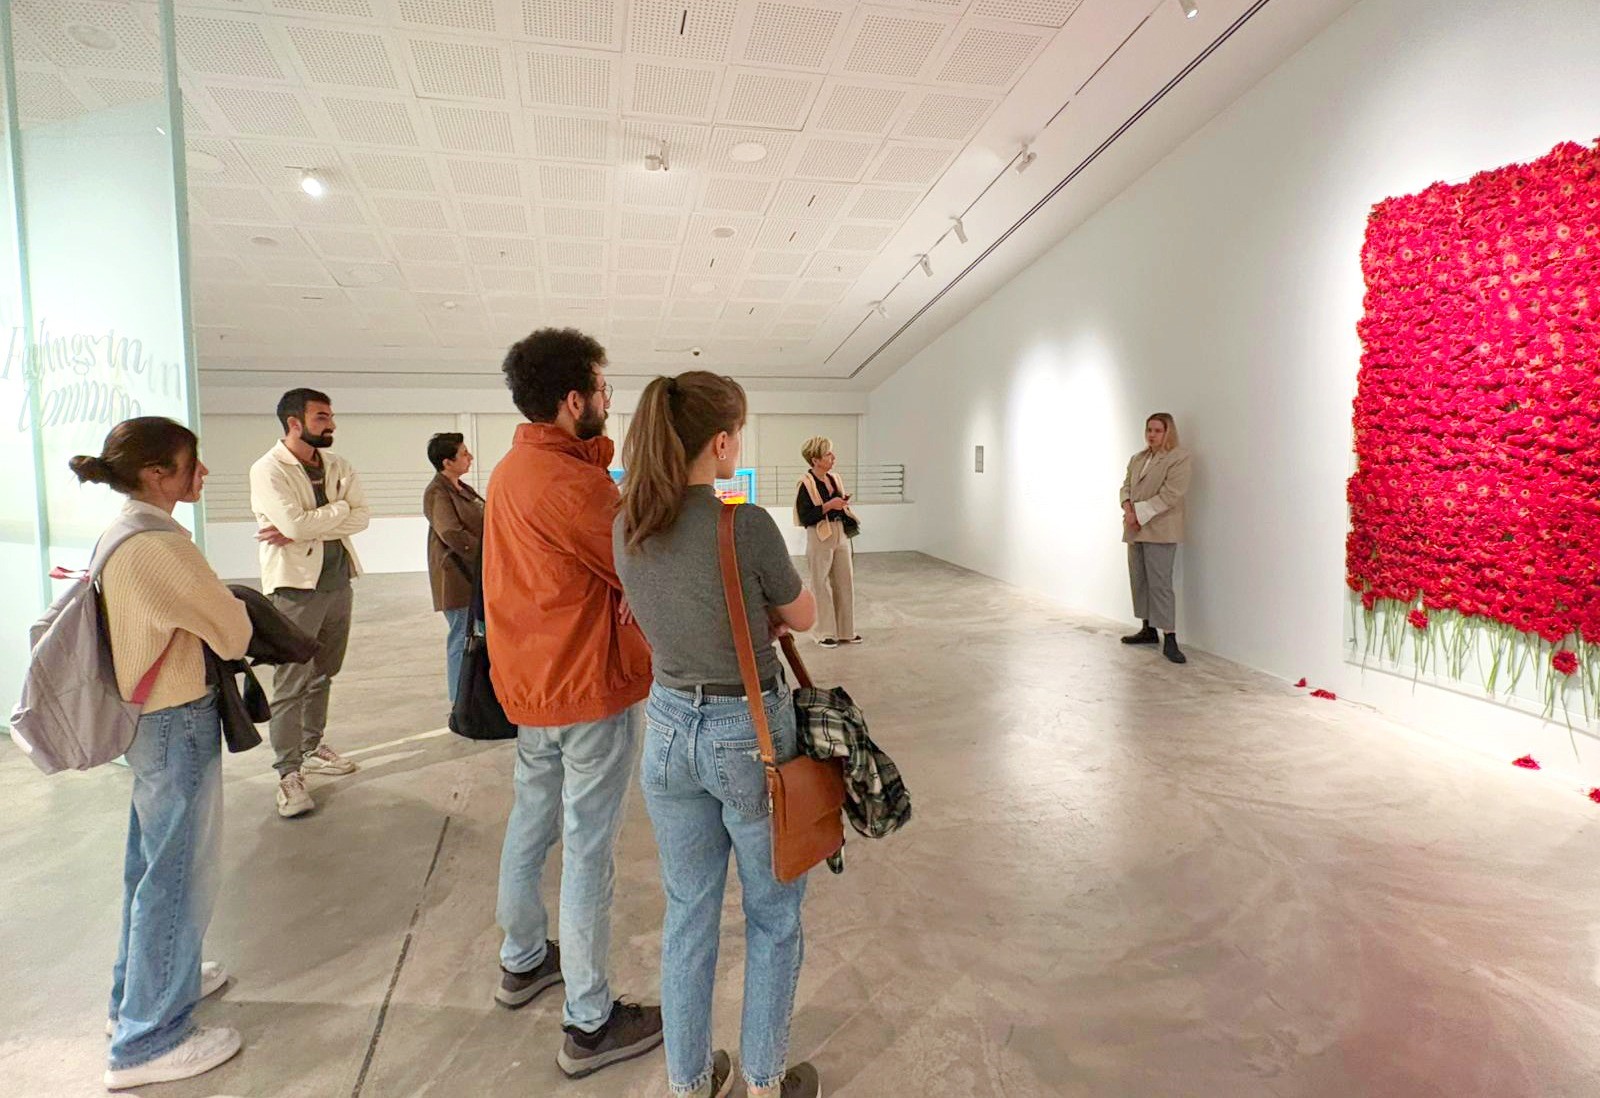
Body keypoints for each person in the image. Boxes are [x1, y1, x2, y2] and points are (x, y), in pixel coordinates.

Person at [616, 371, 824, 1098]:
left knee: (689, 911)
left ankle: (691, 1082)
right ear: (722, 441)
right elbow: (804, 616)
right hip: (748, 732)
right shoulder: (745, 522)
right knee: (772, 915)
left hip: (668, 728)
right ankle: (764, 1082)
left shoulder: (628, 524)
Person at [483, 328, 663, 1079]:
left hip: (532, 684)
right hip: (584, 686)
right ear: (572, 400)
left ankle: (523, 957)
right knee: (588, 848)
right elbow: (643, 560)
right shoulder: (573, 483)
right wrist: (633, 583)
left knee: (531, 821)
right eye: (601, 389)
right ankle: (589, 1021)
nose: (607, 400)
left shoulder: (511, 470)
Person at [69, 418, 253, 1090]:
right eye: (190, 463)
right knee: (177, 874)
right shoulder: (160, 546)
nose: (201, 473)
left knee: (150, 868)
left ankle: (138, 995)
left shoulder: (123, 531)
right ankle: (149, 1041)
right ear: (155, 474)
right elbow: (233, 634)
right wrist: (230, 606)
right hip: (177, 719)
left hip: (148, 719)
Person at [249, 388, 370, 818]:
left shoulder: (338, 464)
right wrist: (333, 514)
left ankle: (312, 746)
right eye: (321, 417)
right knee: (291, 682)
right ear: (294, 422)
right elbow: (296, 525)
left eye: (330, 416)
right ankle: (288, 772)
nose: (331, 424)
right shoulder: (268, 469)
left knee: (323, 672)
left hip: (339, 583)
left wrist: (307, 526)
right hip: (295, 588)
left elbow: (361, 516)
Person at [1120, 412, 1193, 664]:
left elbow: (1171, 494)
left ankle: (1169, 636)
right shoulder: (1138, 458)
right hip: (1135, 527)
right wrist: (1128, 509)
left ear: (1168, 432)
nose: (1152, 435)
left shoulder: (1178, 458)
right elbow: (1125, 486)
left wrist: (1138, 514)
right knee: (1139, 579)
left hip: (1161, 528)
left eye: (1157, 430)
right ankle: (1147, 628)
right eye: (1149, 430)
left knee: (1160, 584)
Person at [422, 431, 484, 703]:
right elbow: (451, 532)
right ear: (447, 462)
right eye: (464, 454)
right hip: (457, 577)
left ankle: (473, 697)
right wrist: (486, 552)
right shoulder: (438, 492)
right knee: (462, 637)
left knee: (474, 635)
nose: (470, 457)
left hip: (474, 575)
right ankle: (461, 702)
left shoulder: (462, 489)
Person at [794, 436, 859, 648]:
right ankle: (823, 632)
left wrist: (840, 505)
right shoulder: (806, 484)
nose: (833, 457)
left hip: (840, 532)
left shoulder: (834, 479)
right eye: (827, 454)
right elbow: (805, 516)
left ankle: (846, 630)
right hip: (819, 535)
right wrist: (829, 505)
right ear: (815, 460)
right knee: (819, 583)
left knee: (844, 581)